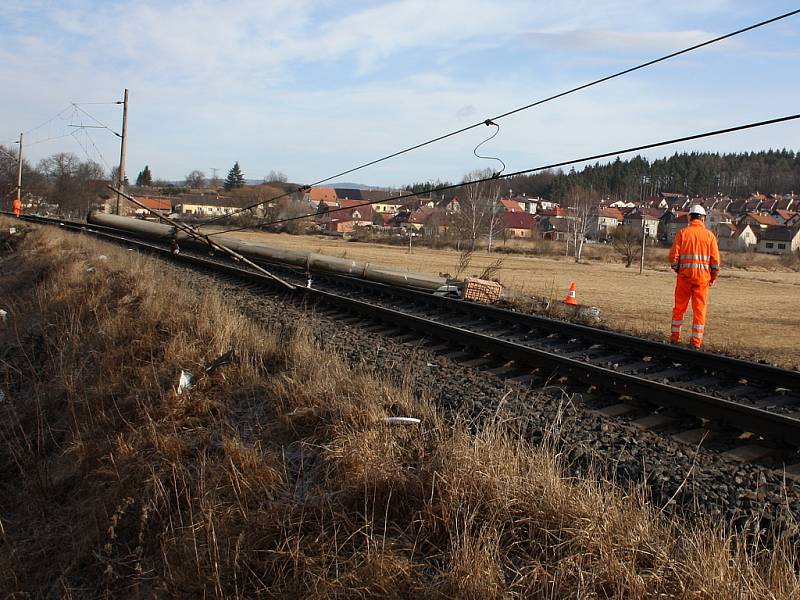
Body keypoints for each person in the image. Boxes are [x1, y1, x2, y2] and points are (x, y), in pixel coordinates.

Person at [668, 205, 720, 348]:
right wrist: (712, 278)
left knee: (679, 309)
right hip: (702, 280)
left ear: (689, 217)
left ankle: (675, 338)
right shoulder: (710, 236)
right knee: (699, 312)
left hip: (684, 278)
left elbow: (673, 257)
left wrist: (678, 270)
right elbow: (715, 263)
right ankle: (696, 342)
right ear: (703, 218)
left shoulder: (682, 233)